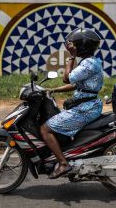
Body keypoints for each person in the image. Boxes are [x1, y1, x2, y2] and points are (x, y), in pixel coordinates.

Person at [40, 27, 104, 179]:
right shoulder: (90, 62)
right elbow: (75, 84)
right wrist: (53, 90)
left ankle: (63, 163)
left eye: (74, 44)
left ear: (82, 46)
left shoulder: (88, 64)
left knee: (45, 129)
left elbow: (67, 78)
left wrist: (71, 56)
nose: (71, 47)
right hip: (86, 105)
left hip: (85, 109)